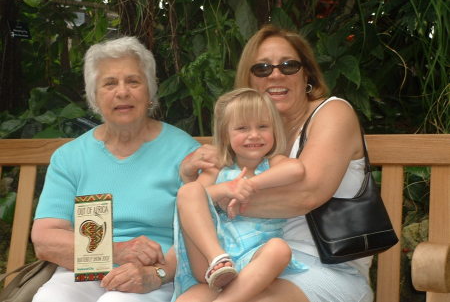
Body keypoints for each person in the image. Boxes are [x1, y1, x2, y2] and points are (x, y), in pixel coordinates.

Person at [176, 24, 374, 302]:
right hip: (247, 256)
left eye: (288, 65)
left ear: (307, 74)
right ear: (249, 80)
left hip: (326, 264)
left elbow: (307, 194)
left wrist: (216, 200)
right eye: (263, 68)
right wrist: (192, 185)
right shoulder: (249, 135)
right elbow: (196, 200)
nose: (276, 74)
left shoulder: (332, 113)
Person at [30, 36, 214, 302]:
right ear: (94, 95)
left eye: (133, 81)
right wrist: (115, 251)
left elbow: (204, 230)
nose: (122, 92)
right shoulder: (70, 158)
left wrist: (158, 273)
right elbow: (45, 240)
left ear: (149, 92)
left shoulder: (184, 152)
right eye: (110, 83)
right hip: (86, 271)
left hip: (157, 275)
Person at [174, 88, 308, 301]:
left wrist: (250, 185)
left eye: (263, 127)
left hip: (253, 259)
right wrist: (227, 189)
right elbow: (193, 197)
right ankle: (219, 260)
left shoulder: (273, 164)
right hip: (209, 259)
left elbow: (296, 170)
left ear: (274, 130)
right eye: (242, 128)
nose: (254, 135)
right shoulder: (218, 168)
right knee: (189, 190)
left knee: (279, 249)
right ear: (226, 134)